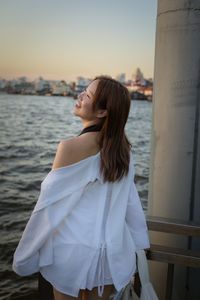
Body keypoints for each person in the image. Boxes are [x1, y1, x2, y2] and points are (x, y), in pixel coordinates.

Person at [13, 75, 150, 300]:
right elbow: (131, 203)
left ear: (102, 112)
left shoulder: (70, 147)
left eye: (87, 95)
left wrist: (25, 256)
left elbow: (47, 209)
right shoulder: (123, 150)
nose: (79, 96)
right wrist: (140, 242)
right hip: (113, 259)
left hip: (72, 257)